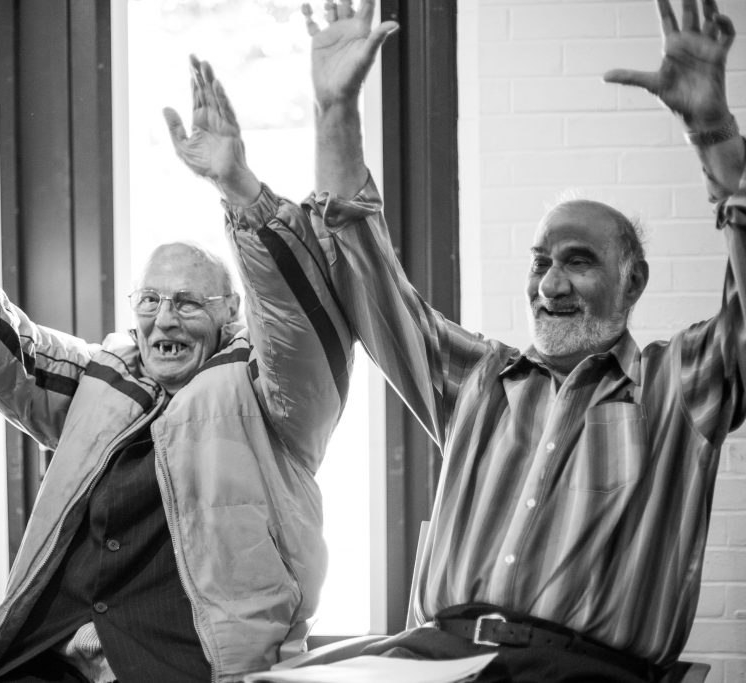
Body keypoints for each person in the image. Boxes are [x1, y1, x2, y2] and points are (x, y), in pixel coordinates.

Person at [269, 0, 744, 681]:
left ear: (633, 279)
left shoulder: (681, 382)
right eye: (539, 260)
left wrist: (713, 130)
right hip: (438, 656)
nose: (549, 283)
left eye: (577, 260)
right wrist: (336, 110)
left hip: (580, 668)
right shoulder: (479, 379)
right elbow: (366, 269)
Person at [0, 54, 353, 683]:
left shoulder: (266, 391)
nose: (164, 320)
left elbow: (297, 327)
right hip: (56, 652)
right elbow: (14, 353)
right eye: (151, 301)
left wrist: (238, 186)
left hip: (193, 662)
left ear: (230, 317)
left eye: (187, 303)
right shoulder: (109, 375)